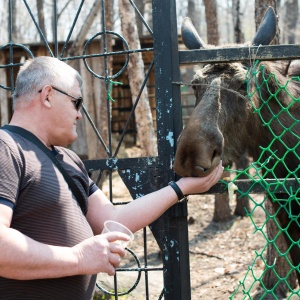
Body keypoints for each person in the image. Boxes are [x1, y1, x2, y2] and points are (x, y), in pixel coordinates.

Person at [0, 56, 223, 299]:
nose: (79, 115)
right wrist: (78, 259)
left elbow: (114, 218)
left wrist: (182, 188)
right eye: (77, 102)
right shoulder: (6, 147)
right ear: (47, 96)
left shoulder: (68, 160)